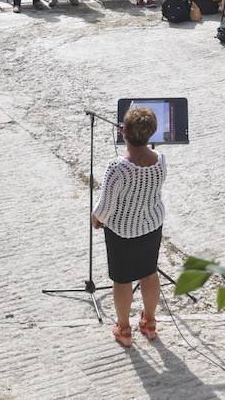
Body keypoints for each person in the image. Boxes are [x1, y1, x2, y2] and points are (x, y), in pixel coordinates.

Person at [91, 104, 167, 348]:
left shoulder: (117, 167)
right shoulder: (161, 161)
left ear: (123, 132)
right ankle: (150, 321)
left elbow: (106, 205)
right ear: (151, 133)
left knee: (122, 279)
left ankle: (124, 328)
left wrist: (96, 218)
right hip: (152, 224)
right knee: (149, 271)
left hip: (123, 230)